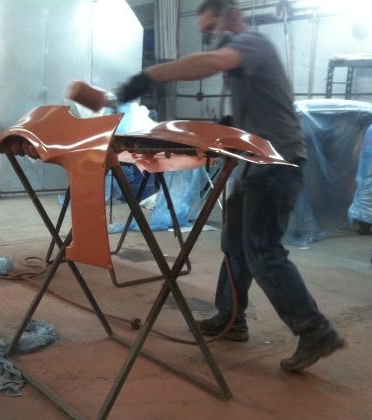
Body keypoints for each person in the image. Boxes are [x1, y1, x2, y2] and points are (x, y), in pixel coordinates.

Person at [115, 0, 345, 372]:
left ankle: (315, 329)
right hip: (255, 167)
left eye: (210, 30)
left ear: (231, 15)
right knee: (235, 243)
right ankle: (231, 318)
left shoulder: (252, 43)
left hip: (276, 165)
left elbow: (212, 61)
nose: (211, 39)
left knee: (262, 250)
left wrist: (150, 76)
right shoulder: (243, 62)